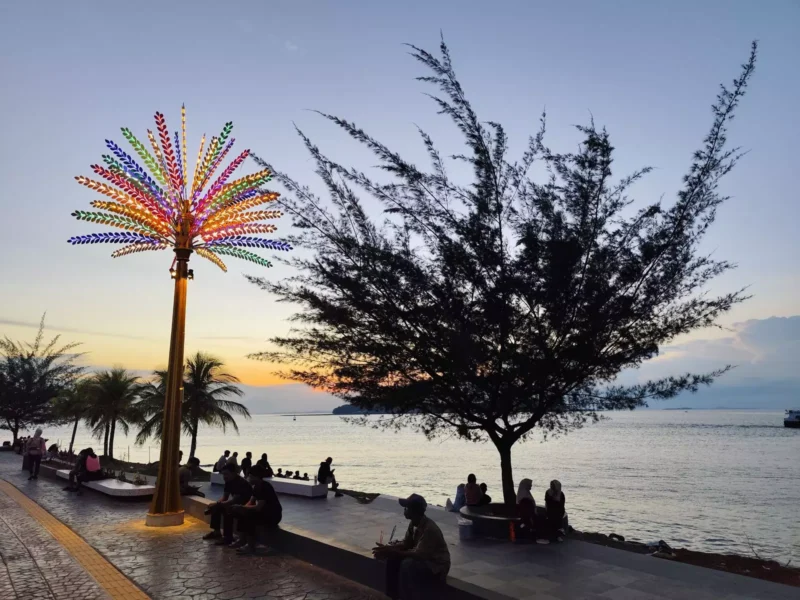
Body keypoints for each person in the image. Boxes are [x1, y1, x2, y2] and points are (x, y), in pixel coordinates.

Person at [373, 494, 450, 600]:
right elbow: (406, 544)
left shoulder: (430, 529)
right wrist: (389, 549)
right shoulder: (414, 524)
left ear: (414, 511)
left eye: (407, 508)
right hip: (423, 558)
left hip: (435, 565)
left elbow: (418, 554)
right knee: (392, 559)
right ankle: (393, 595)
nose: (404, 510)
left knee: (408, 564)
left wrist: (393, 551)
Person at [230, 465, 283, 554]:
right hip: (264, 513)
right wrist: (240, 508)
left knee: (249, 516)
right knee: (242, 513)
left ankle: (250, 546)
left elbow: (258, 507)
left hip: (273, 516)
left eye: (250, 476)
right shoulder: (256, 487)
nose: (248, 478)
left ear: (256, 477)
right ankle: (242, 540)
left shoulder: (264, 486)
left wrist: (242, 508)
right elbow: (250, 502)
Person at [203, 464, 252, 546]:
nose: (224, 476)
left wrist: (219, 504)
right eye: (223, 474)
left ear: (234, 473)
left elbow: (234, 500)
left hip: (244, 506)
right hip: (235, 504)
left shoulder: (241, 483)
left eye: (226, 474)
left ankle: (228, 537)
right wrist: (216, 504)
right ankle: (216, 532)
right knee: (216, 507)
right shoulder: (228, 482)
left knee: (228, 511)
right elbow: (224, 498)